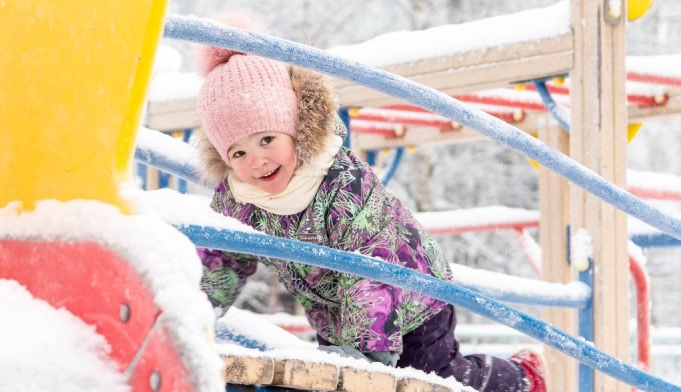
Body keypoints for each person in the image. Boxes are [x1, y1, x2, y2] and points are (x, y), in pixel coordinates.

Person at [193, 23, 547, 392]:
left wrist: (367, 357)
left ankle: (523, 377)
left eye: (267, 139)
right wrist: (198, 313)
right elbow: (223, 261)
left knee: (440, 381)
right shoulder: (238, 198)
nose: (258, 160)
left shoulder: (341, 183)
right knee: (333, 384)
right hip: (339, 316)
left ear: (295, 129)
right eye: (239, 152)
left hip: (413, 298)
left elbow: (371, 268)